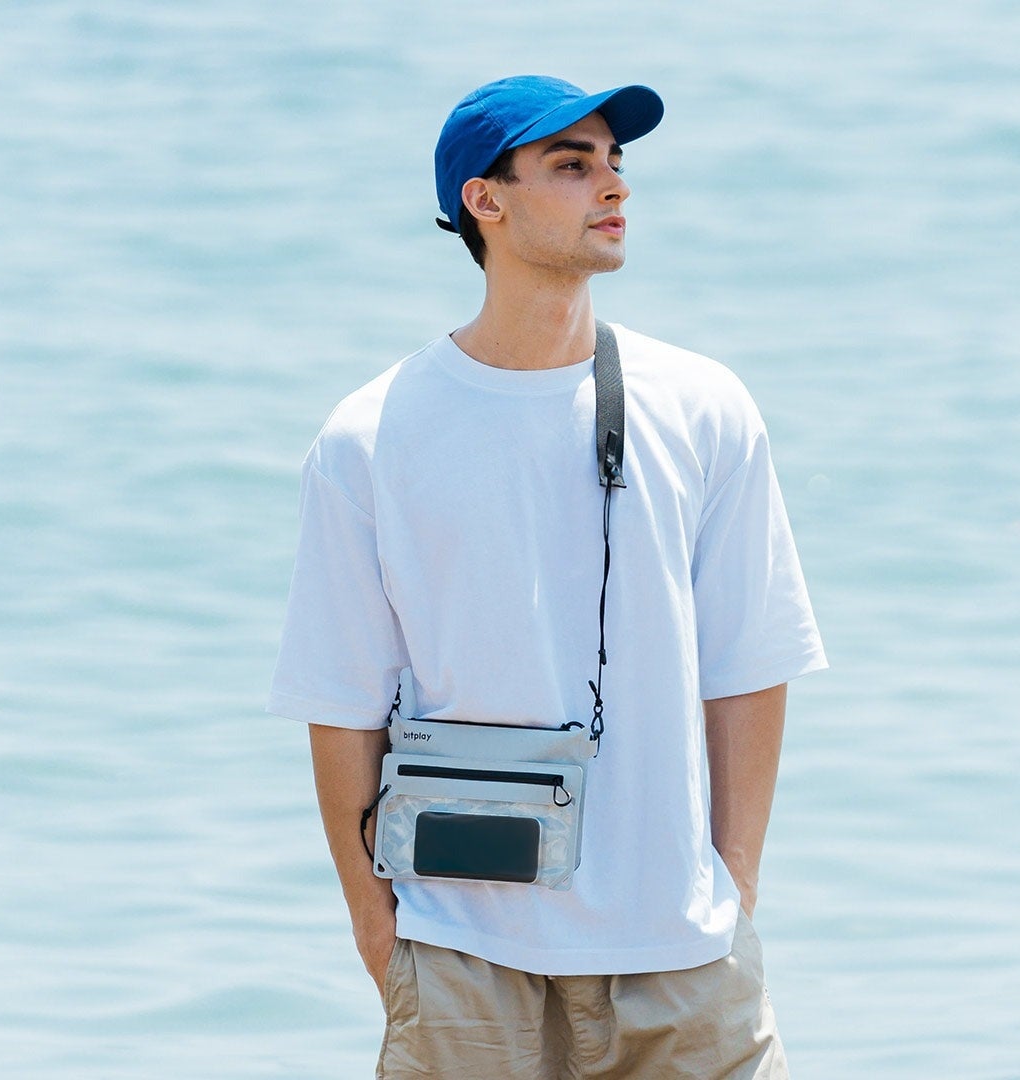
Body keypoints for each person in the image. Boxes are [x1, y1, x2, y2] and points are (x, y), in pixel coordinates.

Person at [268, 75, 827, 1079]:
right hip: (462, 952)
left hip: (682, 954)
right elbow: (340, 703)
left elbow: (750, 664)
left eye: (615, 161)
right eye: (572, 165)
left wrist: (734, 890)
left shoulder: (704, 406)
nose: (613, 185)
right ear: (485, 199)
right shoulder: (369, 437)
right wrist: (379, 934)